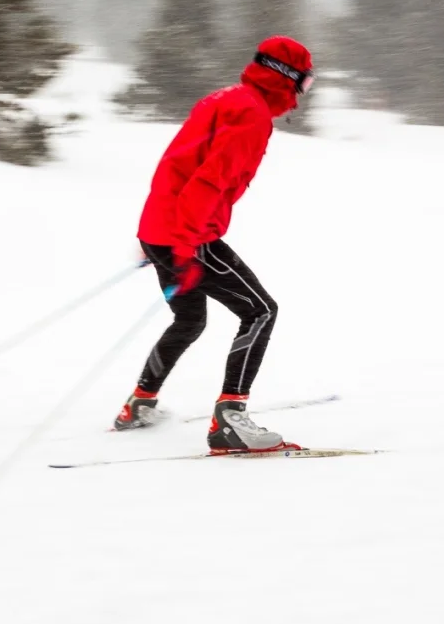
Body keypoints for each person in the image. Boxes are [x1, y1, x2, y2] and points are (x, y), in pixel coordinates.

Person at [114, 35, 314, 454]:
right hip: (187, 233)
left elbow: (175, 164)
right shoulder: (251, 113)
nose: (303, 94)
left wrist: (153, 240)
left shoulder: (225, 99)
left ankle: (141, 403)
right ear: (287, 78)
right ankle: (230, 420)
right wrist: (184, 250)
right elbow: (208, 181)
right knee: (260, 311)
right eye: (305, 83)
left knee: (188, 320)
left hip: (163, 229)